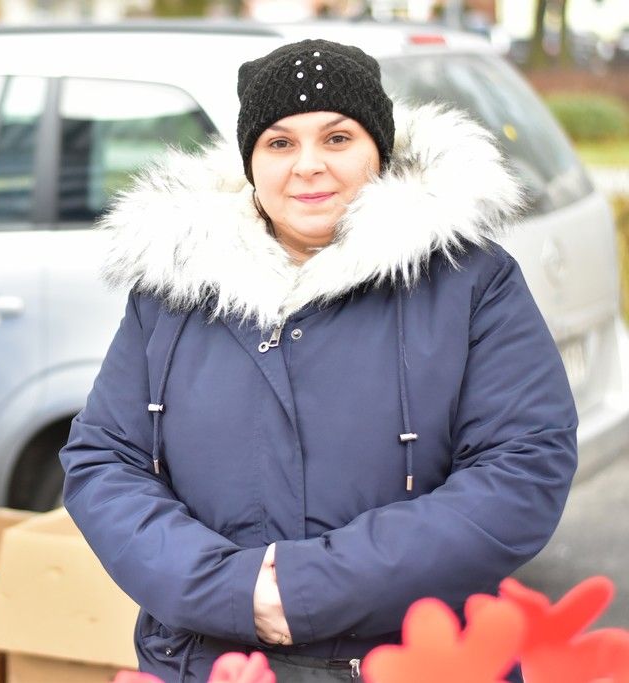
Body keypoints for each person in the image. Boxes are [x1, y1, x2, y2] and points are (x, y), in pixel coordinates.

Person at [60, 38, 577, 683]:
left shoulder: (468, 282)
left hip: (415, 663)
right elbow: (104, 461)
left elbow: (521, 469)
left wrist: (305, 589)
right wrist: (232, 590)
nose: (308, 166)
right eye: (280, 143)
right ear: (251, 161)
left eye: (337, 139)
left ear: (379, 153)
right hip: (210, 664)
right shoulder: (173, 292)